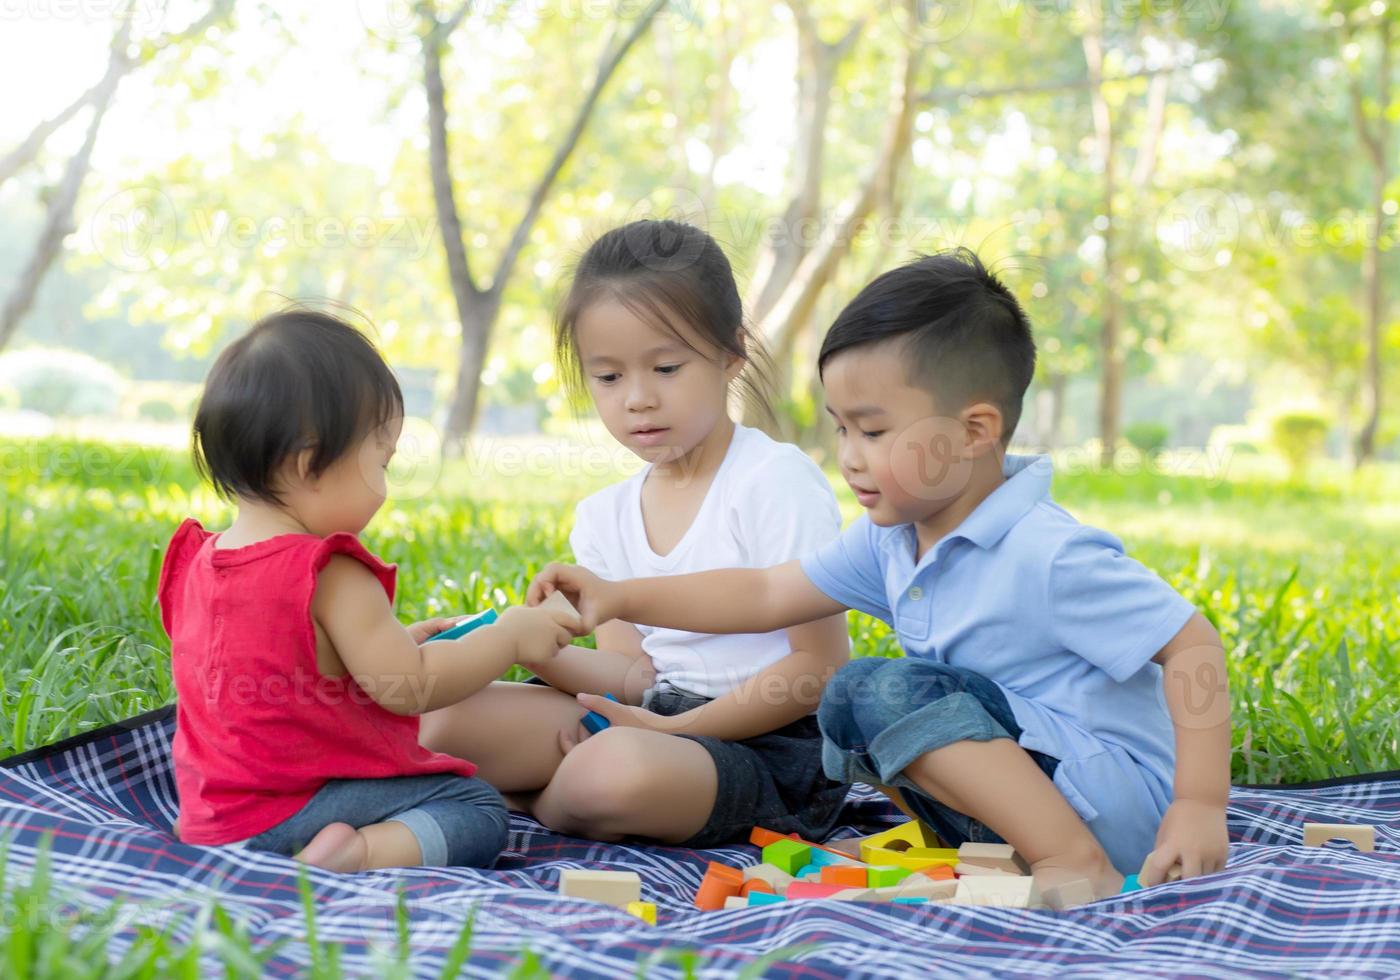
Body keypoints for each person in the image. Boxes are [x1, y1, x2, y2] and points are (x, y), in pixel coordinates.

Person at [529, 248, 1232, 899]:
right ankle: (1018, 852)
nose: (851, 458)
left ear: (975, 431)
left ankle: (1076, 863)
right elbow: (767, 592)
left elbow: (1192, 644)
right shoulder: (891, 540)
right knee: (848, 705)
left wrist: (1198, 807)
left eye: (873, 431)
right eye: (839, 429)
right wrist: (619, 595)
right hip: (1013, 805)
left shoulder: (1045, 551)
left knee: (875, 687)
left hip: (1119, 807)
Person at [420, 220, 853, 848]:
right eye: (609, 377)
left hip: (764, 748)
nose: (638, 399)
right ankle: (554, 791)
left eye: (667, 367)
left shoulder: (774, 481)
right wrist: (522, 643)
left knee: (614, 772)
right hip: (644, 716)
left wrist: (668, 734)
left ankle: (537, 799)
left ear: (732, 355)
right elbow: (631, 675)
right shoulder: (604, 516)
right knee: (440, 722)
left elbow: (820, 668)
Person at [159, 308, 578, 872]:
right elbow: (411, 687)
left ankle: (288, 844)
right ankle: (354, 855)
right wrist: (509, 640)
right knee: (476, 807)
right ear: (311, 464)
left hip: (212, 817)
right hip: (293, 811)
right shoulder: (328, 571)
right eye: (382, 462)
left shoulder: (199, 561)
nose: (384, 490)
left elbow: (280, 660)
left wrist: (398, 638)